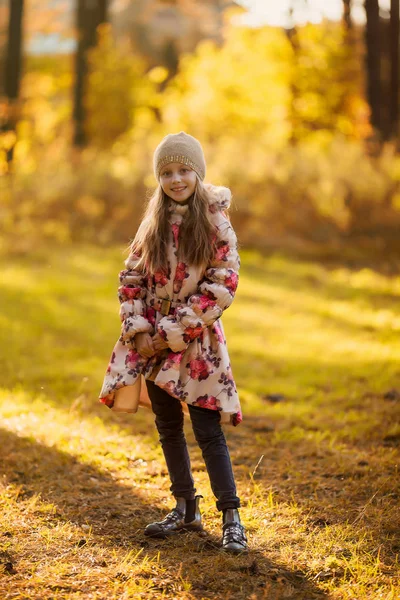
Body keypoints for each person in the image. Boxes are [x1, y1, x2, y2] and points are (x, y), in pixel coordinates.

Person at [99, 131, 247, 553]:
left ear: (198, 173)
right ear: (158, 177)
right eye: (167, 172)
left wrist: (172, 333)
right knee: (167, 425)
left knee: (206, 429)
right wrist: (141, 330)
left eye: (184, 170)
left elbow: (224, 282)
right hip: (152, 343)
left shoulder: (215, 220)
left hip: (195, 342)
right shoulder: (153, 221)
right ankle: (185, 507)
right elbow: (130, 277)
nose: (176, 179)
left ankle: (231, 515)